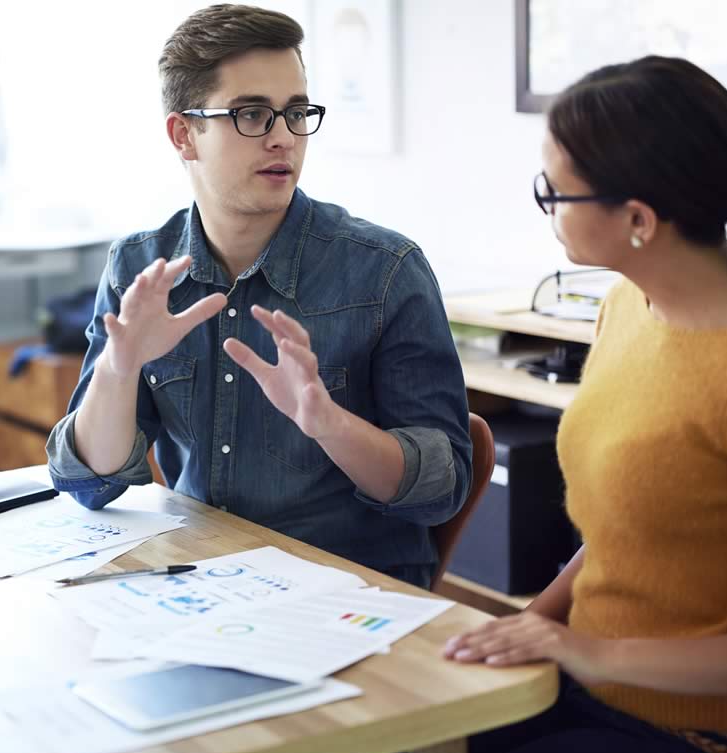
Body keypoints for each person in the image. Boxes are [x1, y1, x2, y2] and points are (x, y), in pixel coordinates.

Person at [45, 3, 470, 589]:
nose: (282, 138)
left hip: (346, 591)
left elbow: (440, 492)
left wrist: (328, 423)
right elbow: (88, 485)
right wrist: (119, 371)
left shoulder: (387, 271)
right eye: (251, 114)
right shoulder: (140, 267)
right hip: (200, 580)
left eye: (296, 113)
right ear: (184, 133)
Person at [441, 56, 727, 753]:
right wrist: (533, 628)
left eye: (555, 191)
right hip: (582, 686)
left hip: (696, 740)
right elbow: (622, 537)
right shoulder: (624, 308)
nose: (547, 207)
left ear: (638, 219)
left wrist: (584, 649)